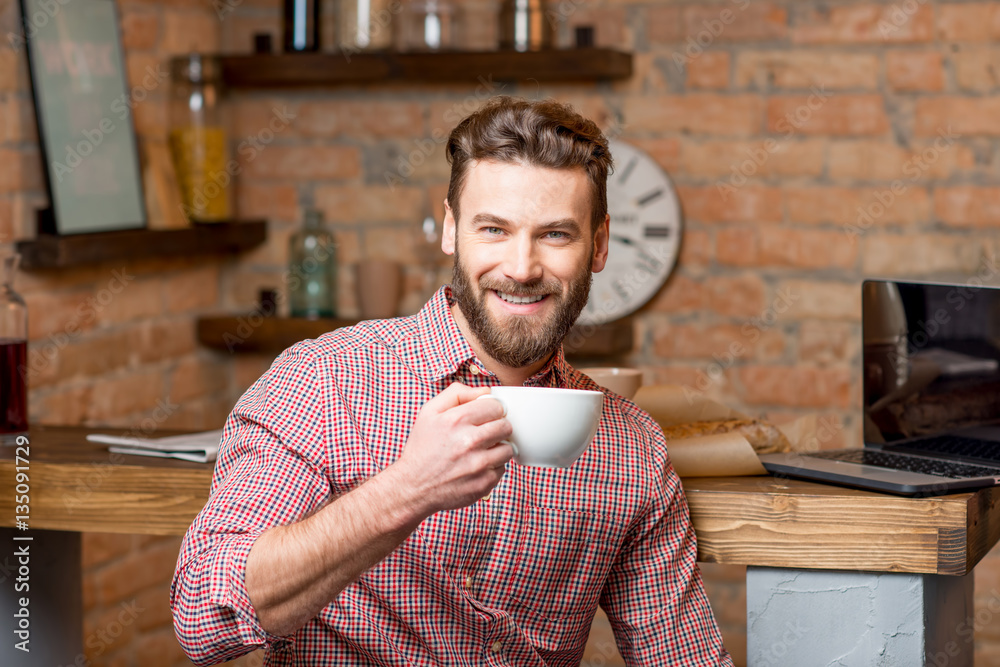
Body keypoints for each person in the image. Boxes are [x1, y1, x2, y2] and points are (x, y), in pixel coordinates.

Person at [171, 96, 733, 666]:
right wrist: (406, 491)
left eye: (556, 235)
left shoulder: (632, 447)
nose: (520, 267)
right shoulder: (325, 380)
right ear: (451, 230)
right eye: (493, 229)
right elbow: (201, 614)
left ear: (600, 244)